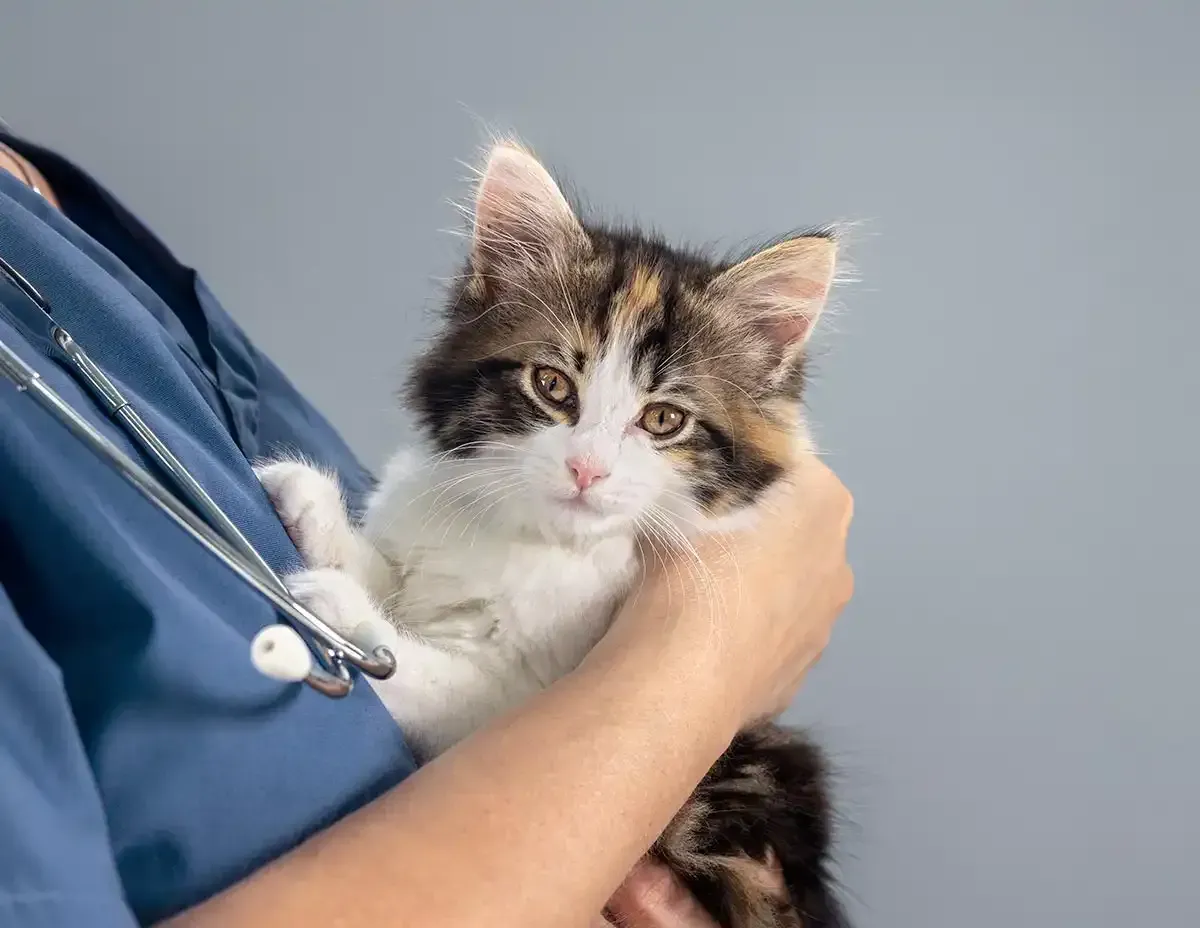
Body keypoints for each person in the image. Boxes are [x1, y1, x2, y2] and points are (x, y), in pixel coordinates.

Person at [0, 123, 854, 928]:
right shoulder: (455, 505)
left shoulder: (92, 238)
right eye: (555, 390)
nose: (591, 463)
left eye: (660, 423)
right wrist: (706, 649)